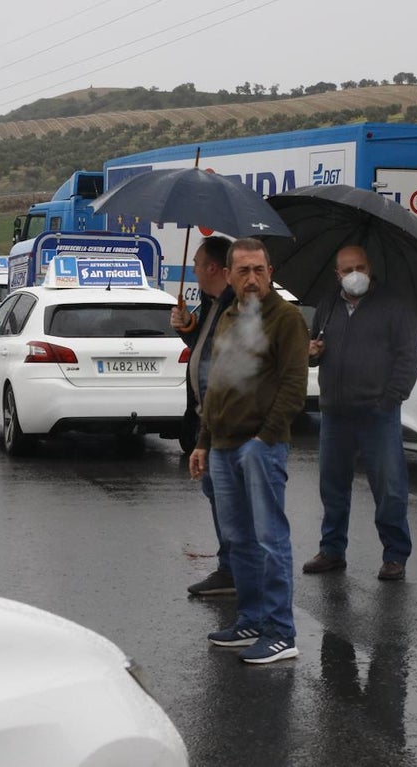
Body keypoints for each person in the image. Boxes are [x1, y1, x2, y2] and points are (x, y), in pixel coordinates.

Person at [189, 238, 309, 664]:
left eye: (259, 270)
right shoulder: (229, 316)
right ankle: (252, 621)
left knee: (270, 540)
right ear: (231, 275)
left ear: (270, 271)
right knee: (239, 541)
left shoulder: (286, 319)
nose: (252, 279)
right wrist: (204, 442)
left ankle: (280, 631)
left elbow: (295, 387)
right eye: (243, 271)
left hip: (261, 447)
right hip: (222, 447)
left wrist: (265, 439)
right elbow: (217, 383)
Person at [302, 245, 417, 581]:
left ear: (370, 268)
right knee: (332, 487)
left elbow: (409, 357)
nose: (355, 275)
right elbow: (314, 348)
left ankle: (395, 554)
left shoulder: (394, 306)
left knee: (390, 489)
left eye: (361, 267)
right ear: (336, 274)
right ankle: (331, 550)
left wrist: (390, 400)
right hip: (335, 412)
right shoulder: (328, 305)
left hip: (377, 414)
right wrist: (312, 352)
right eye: (347, 269)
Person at [171, 236, 237, 597]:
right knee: (216, 493)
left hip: (224, 421)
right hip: (205, 417)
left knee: (228, 497)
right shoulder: (213, 303)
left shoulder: (233, 306)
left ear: (213, 267)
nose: (193, 268)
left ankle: (234, 571)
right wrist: (187, 326)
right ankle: (229, 566)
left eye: (196, 262)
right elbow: (202, 348)